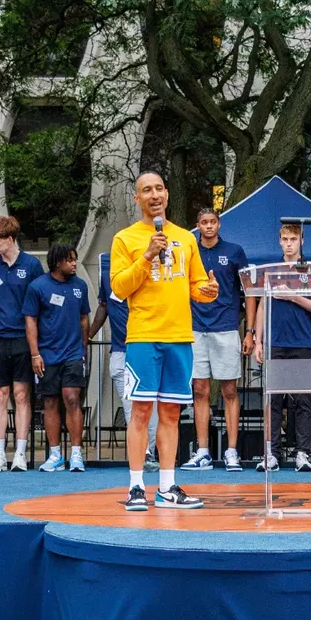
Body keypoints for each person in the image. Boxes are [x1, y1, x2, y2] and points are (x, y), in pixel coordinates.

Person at [109, 169, 219, 510]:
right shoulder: (125, 239)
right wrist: (146, 256)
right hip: (143, 335)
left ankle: (168, 487)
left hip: (179, 336)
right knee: (141, 411)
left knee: (171, 412)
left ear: (167, 194)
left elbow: (196, 284)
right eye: (147, 190)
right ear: (137, 198)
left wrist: (209, 291)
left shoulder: (186, 238)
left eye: (159, 188)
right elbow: (119, 287)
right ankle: (136, 487)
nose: (154, 195)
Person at [254, 222, 311, 472]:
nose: (288, 244)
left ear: (301, 241)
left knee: (303, 400)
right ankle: (271, 453)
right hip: (275, 342)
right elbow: (262, 306)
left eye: (293, 239)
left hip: (302, 342)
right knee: (273, 400)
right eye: (285, 239)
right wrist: (257, 340)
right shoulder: (271, 270)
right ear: (279, 241)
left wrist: (294, 296)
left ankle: (302, 453)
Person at [183, 208, 253, 473]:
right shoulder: (190, 251)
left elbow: (250, 292)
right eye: (204, 222)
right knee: (199, 390)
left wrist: (250, 331)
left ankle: (231, 451)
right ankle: (203, 452)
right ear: (197, 225)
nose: (209, 226)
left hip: (226, 327)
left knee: (229, 391)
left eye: (213, 222)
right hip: (195, 329)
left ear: (219, 224)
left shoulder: (234, 251)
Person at [0, 216, 43, 471]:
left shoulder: (32, 265)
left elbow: (39, 306)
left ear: (10, 239)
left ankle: (20, 454)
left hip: (23, 339)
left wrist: (36, 345)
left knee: (22, 395)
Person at [23, 243, 93, 473]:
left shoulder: (80, 286)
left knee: (72, 398)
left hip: (73, 354)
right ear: (57, 262)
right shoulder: (37, 287)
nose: (74, 264)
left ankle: (76, 454)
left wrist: (83, 348)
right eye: (69, 260)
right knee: (50, 402)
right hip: (47, 355)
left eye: (75, 259)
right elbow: (31, 321)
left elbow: (84, 318)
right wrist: (35, 354)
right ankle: (55, 455)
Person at [87, 253, 154, 468]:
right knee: (130, 406)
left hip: (147, 347)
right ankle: (143, 452)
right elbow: (104, 306)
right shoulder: (108, 272)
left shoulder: (149, 268)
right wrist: (88, 336)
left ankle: (151, 452)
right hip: (120, 351)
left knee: (150, 406)